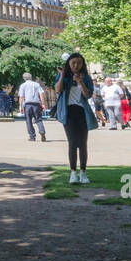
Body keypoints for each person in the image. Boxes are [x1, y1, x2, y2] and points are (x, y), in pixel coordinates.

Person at [54, 53, 96, 184]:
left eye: (78, 63)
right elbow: (58, 90)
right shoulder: (63, 76)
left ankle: (83, 173)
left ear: (82, 64)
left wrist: (80, 82)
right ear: (69, 64)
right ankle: (73, 173)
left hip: (82, 112)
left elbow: (87, 95)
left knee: (82, 144)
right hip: (68, 112)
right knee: (72, 143)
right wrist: (62, 75)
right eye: (73, 63)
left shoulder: (86, 78)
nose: (76, 65)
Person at [18, 72, 47, 142]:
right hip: (36, 104)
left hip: (28, 105)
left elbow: (21, 97)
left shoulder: (23, 85)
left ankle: (32, 137)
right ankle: (42, 131)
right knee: (38, 119)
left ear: (24, 78)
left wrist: (20, 106)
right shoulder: (37, 84)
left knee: (28, 121)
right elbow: (41, 94)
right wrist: (43, 104)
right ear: (31, 77)